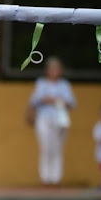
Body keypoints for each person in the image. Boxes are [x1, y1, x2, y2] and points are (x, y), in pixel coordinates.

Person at [28, 57, 76, 186]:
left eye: (57, 69)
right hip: (44, 119)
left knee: (58, 148)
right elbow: (35, 99)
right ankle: (45, 177)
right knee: (46, 147)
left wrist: (54, 100)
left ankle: (56, 178)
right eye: (52, 69)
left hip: (61, 120)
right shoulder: (42, 83)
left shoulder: (64, 84)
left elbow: (71, 103)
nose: (55, 71)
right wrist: (53, 100)